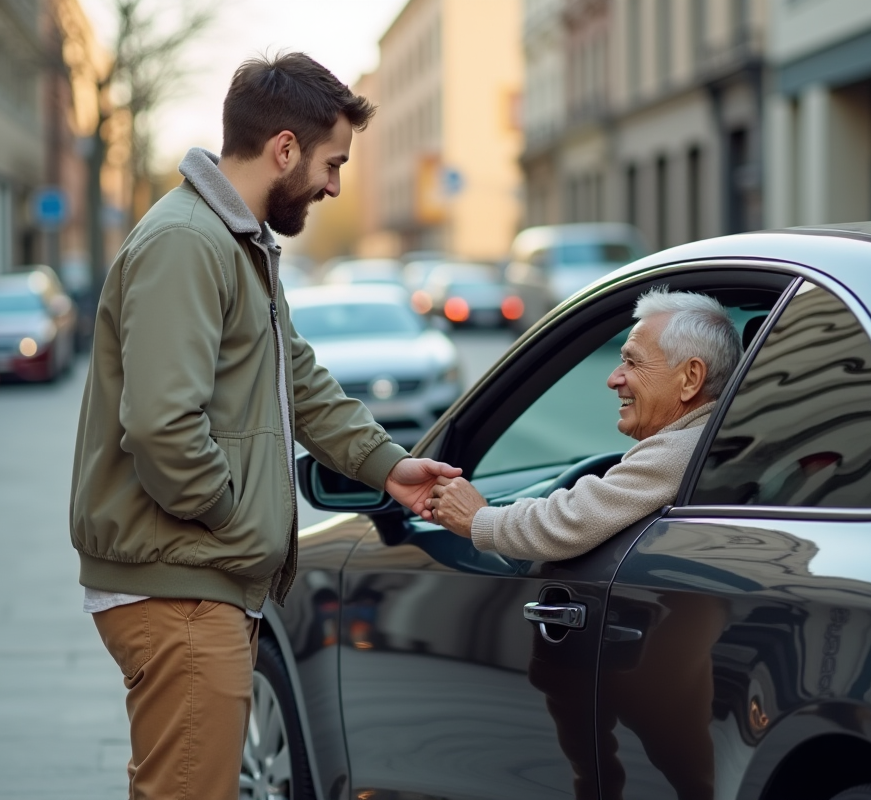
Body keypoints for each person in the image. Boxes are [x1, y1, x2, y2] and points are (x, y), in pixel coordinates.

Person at [69, 53, 459, 800]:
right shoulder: (189, 242)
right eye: (332, 162)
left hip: (196, 578)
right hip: (182, 582)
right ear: (284, 147)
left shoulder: (234, 241)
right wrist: (232, 516)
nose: (335, 185)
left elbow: (299, 381)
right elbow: (160, 428)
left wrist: (386, 465)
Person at [427, 287, 742, 558]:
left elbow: (573, 520)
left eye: (633, 362)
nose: (613, 378)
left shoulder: (684, 449)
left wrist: (479, 519)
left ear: (690, 378)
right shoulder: (715, 437)